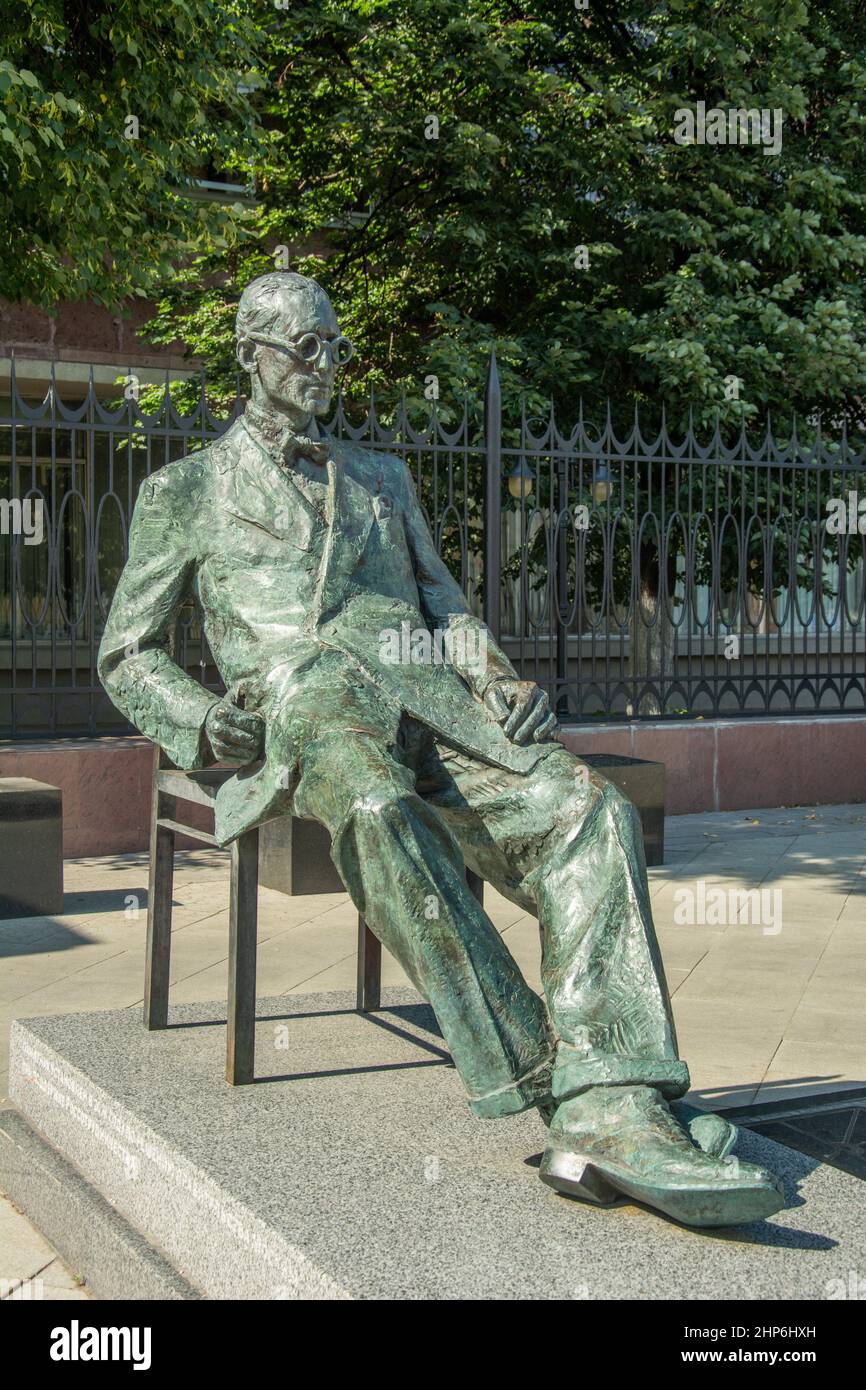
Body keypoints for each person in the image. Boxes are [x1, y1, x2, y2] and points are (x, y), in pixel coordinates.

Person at [99, 272, 784, 1228]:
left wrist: (499, 683)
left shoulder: (382, 478)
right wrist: (199, 719)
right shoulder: (188, 491)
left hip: (431, 698)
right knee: (382, 812)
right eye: (307, 348)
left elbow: (445, 608)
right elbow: (125, 652)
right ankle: (560, 1081)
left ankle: (614, 1084)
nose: (327, 365)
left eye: (336, 346)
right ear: (252, 354)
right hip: (303, 714)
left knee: (590, 810)